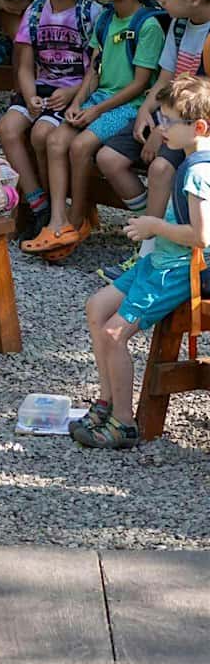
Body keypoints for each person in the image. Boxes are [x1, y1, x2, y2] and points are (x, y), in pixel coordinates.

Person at [71, 75, 210, 451]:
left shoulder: (199, 172)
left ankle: (124, 423)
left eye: (169, 122)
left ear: (198, 127)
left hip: (178, 269)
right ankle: (107, 402)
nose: (161, 128)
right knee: (96, 307)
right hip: (160, 259)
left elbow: (202, 238)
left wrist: (154, 225)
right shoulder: (188, 160)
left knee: (116, 333)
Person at [23, 0, 163, 256]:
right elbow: (94, 71)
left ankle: (76, 220)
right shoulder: (105, 20)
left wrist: (96, 109)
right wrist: (77, 104)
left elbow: (140, 83)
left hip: (127, 106)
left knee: (80, 145)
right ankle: (58, 218)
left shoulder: (147, 25)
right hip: (99, 98)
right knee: (57, 140)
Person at [101, 0, 210, 225]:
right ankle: (150, 225)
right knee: (109, 158)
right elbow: (164, 77)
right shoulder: (179, 23)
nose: (160, 0)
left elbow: (203, 104)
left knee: (160, 168)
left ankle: (152, 243)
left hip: (192, 124)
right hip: (167, 113)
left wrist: (163, 129)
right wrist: (144, 112)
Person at [0, 0, 100, 227]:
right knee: (7, 128)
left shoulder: (91, 13)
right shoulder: (36, 10)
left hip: (74, 91)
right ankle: (36, 200)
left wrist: (73, 93)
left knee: (41, 133)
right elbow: (26, 66)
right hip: (41, 88)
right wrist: (29, 95)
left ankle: (56, 205)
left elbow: (98, 66)